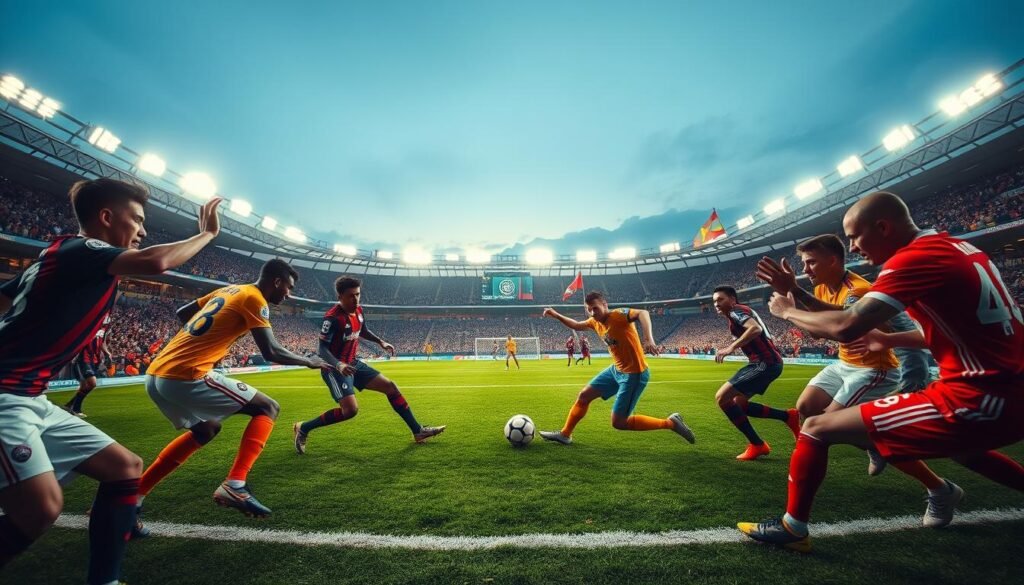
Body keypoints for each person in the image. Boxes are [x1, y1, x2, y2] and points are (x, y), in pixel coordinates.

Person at [739, 192, 1024, 552]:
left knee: (817, 427)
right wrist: (889, 339)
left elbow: (845, 326)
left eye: (855, 237)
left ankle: (793, 528)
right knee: (965, 450)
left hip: (980, 394)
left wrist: (786, 310)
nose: (854, 248)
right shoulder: (958, 248)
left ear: (884, 227)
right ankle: (931, 484)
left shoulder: (910, 260)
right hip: (999, 386)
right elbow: (953, 329)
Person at [0, 178, 222, 584]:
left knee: (124, 467)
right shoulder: (84, 249)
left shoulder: (59, 255)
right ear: (105, 217)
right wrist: (206, 233)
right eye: (136, 219)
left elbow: (6, 297)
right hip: (5, 395)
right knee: (41, 508)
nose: (142, 231)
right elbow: (157, 262)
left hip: (30, 395)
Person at [756, 234, 958, 517]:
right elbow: (819, 331)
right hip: (845, 364)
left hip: (874, 369)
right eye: (804, 263)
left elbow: (845, 325)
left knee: (826, 425)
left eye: (811, 262)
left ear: (833, 260)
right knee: (805, 406)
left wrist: (793, 303)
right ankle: (865, 444)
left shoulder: (858, 289)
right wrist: (796, 305)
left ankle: (938, 487)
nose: (805, 270)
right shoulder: (823, 288)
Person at [137, 259, 331, 521]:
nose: (289, 294)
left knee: (206, 429)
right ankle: (235, 484)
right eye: (288, 287)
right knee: (268, 407)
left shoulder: (229, 290)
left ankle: (133, 498)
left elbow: (183, 312)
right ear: (276, 281)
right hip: (186, 374)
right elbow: (271, 351)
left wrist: (210, 341)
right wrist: (309, 361)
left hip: (156, 374)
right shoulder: (255, 299)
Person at [293, 276, 445, 453]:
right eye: (351, 296)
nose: (355, 299)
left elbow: (363, 330)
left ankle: (418, 431)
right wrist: (339, 365)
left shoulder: (359, 311)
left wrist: (381, 342)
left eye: (357, 294)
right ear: (340, 296)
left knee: (391, 387)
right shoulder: (332, 318)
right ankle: (303, 428)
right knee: (350, 410)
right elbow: (322, 348)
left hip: (353, 363)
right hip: (334, 368)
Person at [538, 292, 696, 445]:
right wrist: (556, 315)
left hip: (634, 374)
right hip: (616, 370)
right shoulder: (594, 322)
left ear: (605, 305)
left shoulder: (618, 315)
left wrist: (648, 339)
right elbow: (576, 325)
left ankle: (671, 423)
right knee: (584, 396)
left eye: (595, 308)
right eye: (589, 309)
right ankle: (565, 434)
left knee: (619, 422)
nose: (592, 313)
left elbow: (643, 313)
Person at [710, 286, 799, 460]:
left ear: (732, 300)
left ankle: (757, 445)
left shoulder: (736, 311)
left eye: (720, 299)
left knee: (722, 398)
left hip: (765, 363)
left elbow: (755, 329)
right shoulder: (734, 317)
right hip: (765, 362)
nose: (716, 304)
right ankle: (788, 416)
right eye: (714, 301)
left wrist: (730, 347)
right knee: (740, 405)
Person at [63, 315, 114, 417]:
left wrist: (107, 353)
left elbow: (102, 343)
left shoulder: (105, 328)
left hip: (94, 359)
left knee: (85, 386)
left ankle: (69, 405)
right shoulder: (90, 324)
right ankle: (76, 409)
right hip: (83, 358)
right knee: (92, 383)